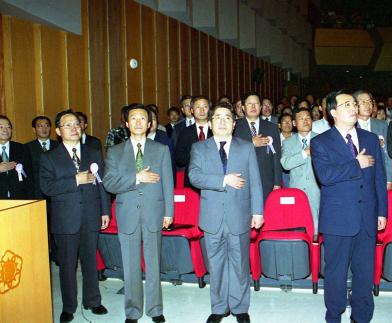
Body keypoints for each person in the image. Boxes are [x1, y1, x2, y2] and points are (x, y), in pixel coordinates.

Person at [311, 90, 387, 323]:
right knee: (335, 272)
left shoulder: (371, 139)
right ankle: (334, 315)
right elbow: (325, 176)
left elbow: (379, 179)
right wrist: (356, 163)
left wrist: (382, 211)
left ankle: (362, 316)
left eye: (354, 104)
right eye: (347, 105)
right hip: (338, 218)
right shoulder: (320, 142)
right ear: (333, 112)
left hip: (367, 215)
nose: (354, 108)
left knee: (365, 272)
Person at [189, 102, 263, 323]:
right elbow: (193, 176)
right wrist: (223, 180)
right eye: (218, 118)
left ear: (233, 124)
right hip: (211, 217)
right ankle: (219, 307)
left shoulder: (245, 147)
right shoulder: (199, 148)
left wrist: (258, 211)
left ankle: (240, 307)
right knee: (216, 264)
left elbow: (255, 182)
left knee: (240, 264)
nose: (222, 121)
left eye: (227, 118)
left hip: (239, 214)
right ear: (210, 124)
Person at [103, 103, 174, 323]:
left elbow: (168, 184)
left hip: (154, 213)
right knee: (131, 266)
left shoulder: (160, 150)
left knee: (153, 264)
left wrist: (169, 212)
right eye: (133, 119)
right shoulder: (115, 152)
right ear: (126, 123)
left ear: (150, 123)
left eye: (143, 119)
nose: (138, 123)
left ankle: (155, 309)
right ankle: (132, 311)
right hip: (128, 216)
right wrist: (136, 178)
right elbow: (109, 183)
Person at [39, 110, 110, 323]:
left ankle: (93, 301)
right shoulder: (49, 157)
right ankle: (69, 306)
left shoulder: (93, 152)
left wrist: (105, 210)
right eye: (67, 125)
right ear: (59, 131)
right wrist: (75, 180)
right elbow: (46, 186)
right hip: (65, 219)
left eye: (76, 124)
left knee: (90, 261)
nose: (74, 128)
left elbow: (101, 184)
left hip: (91, 215)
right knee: (67, 265)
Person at [233, 91, 281, 200]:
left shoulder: (272, 127)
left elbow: (276, 156)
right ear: (243, 108)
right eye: (249, 104)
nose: (253, 106)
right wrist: (251, 143)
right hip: (241, 179)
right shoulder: (234, 126)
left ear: (260, 107)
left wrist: (277, 182)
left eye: (256, 103)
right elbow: (232, 151)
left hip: (266, 180)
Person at [281, 108, 320, 234]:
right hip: (296, 191)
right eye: (301, 118)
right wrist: (305, 153)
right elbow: (286, 164)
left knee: (316, 228)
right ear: (294, 123)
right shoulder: (287, 143)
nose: (305, 121)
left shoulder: (321, 140)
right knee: (297, 227)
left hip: (317, 191)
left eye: (308, 118)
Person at [354, 90, 392, 190]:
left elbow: (387, 153)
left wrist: (389, 179)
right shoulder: (350, 126)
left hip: (378, 176)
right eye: (363, 102)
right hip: (357, 177)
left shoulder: (382, 124)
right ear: (355, 105)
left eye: (370, 101)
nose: (368, 105)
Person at [174, 96, 213, 188]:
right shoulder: (185, 132)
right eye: (198, 107)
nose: (202, 110)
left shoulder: (216, 130)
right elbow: (179, 159)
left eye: (205, 107)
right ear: (192, 110)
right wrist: (197, 155)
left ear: (209, 110)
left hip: (214, 178)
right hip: (192, 180)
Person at [0, 115, 33, 199]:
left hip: (19, 199)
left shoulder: (22, 148)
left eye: (8, 127)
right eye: (1, 127)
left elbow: (29, 176)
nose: (5, 130)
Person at [25, 116, 58, 199]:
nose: (44, 129)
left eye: (47, 125)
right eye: (40, 126)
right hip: (37, 192)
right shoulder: (27, 148)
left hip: (57, 191)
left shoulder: (59, 146)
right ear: (34, 129)